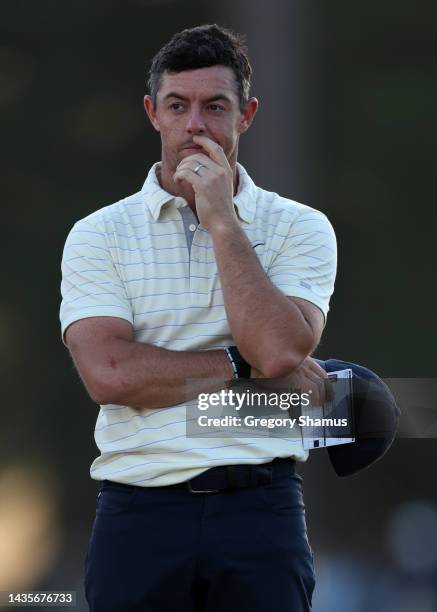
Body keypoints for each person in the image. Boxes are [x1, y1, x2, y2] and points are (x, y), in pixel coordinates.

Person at [59, 24, 337, 612]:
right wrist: (242, 363)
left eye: (215, 107)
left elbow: (282, 351)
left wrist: (223, 223)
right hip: (138, 511)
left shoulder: (301, 226)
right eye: (177, 106)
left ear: (247, 115)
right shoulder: (97, 234)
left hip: (261, 508)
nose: (195, 127)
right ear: (152, 113)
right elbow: (109, 374)